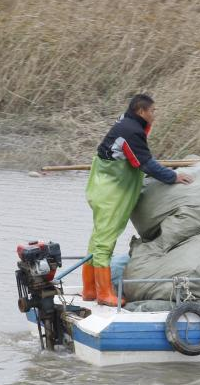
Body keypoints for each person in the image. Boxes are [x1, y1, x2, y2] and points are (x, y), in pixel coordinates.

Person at [82, 94, 193, 306]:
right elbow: (145, 164)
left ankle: (89, 289)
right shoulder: (131, 131)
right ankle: (104, 293)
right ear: (141, 111)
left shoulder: (126, 123)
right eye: (153, 111)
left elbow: (137, 159)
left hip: (102, 187)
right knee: (105, 240)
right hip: (111, 192)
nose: (155, 115)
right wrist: (173, 176)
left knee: (97, 238)